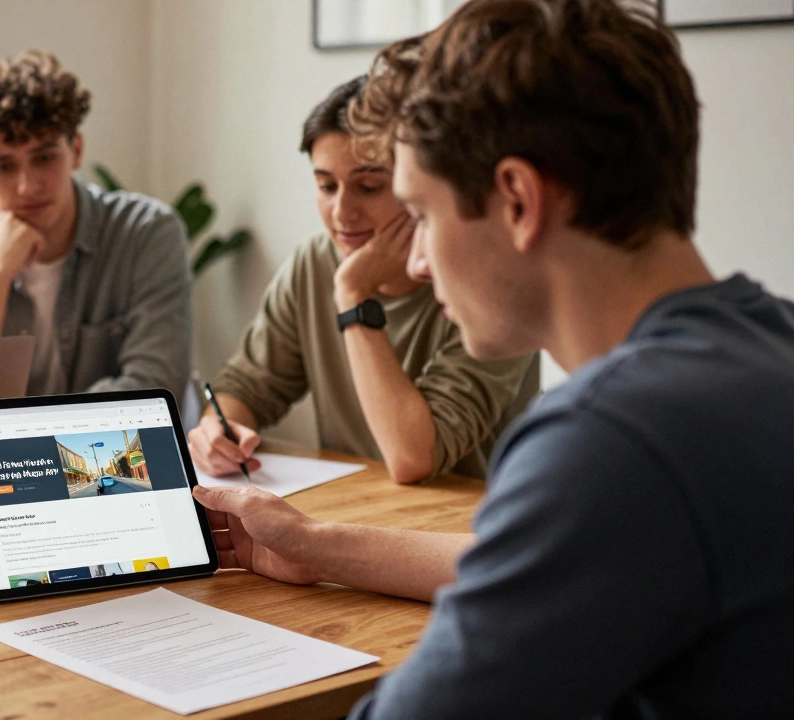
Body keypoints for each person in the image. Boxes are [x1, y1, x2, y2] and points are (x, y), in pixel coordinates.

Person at [194, 0, 794, 717]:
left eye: (420, 214)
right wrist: (312, 544)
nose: (414, 259)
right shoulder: (767, 343)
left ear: (516, 198)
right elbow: (524, 566)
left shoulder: (612, 443)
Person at [188, 74, 538, 484]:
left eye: (369, 186)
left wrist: (354, 295)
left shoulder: (489, 282)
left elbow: (413, 458)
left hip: (466, 529)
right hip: (355, 515)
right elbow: (249, 386)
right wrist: (218, 431)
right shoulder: (313, 263)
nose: (341, 212)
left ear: (415, 181)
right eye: (326, 185)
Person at [0, 50, 191, 397]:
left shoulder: (146, 233)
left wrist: (40, 444)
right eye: (3, 166)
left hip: (109, 452)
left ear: (75, 150)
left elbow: (154, 386)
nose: (28, 185)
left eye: (44, 158)